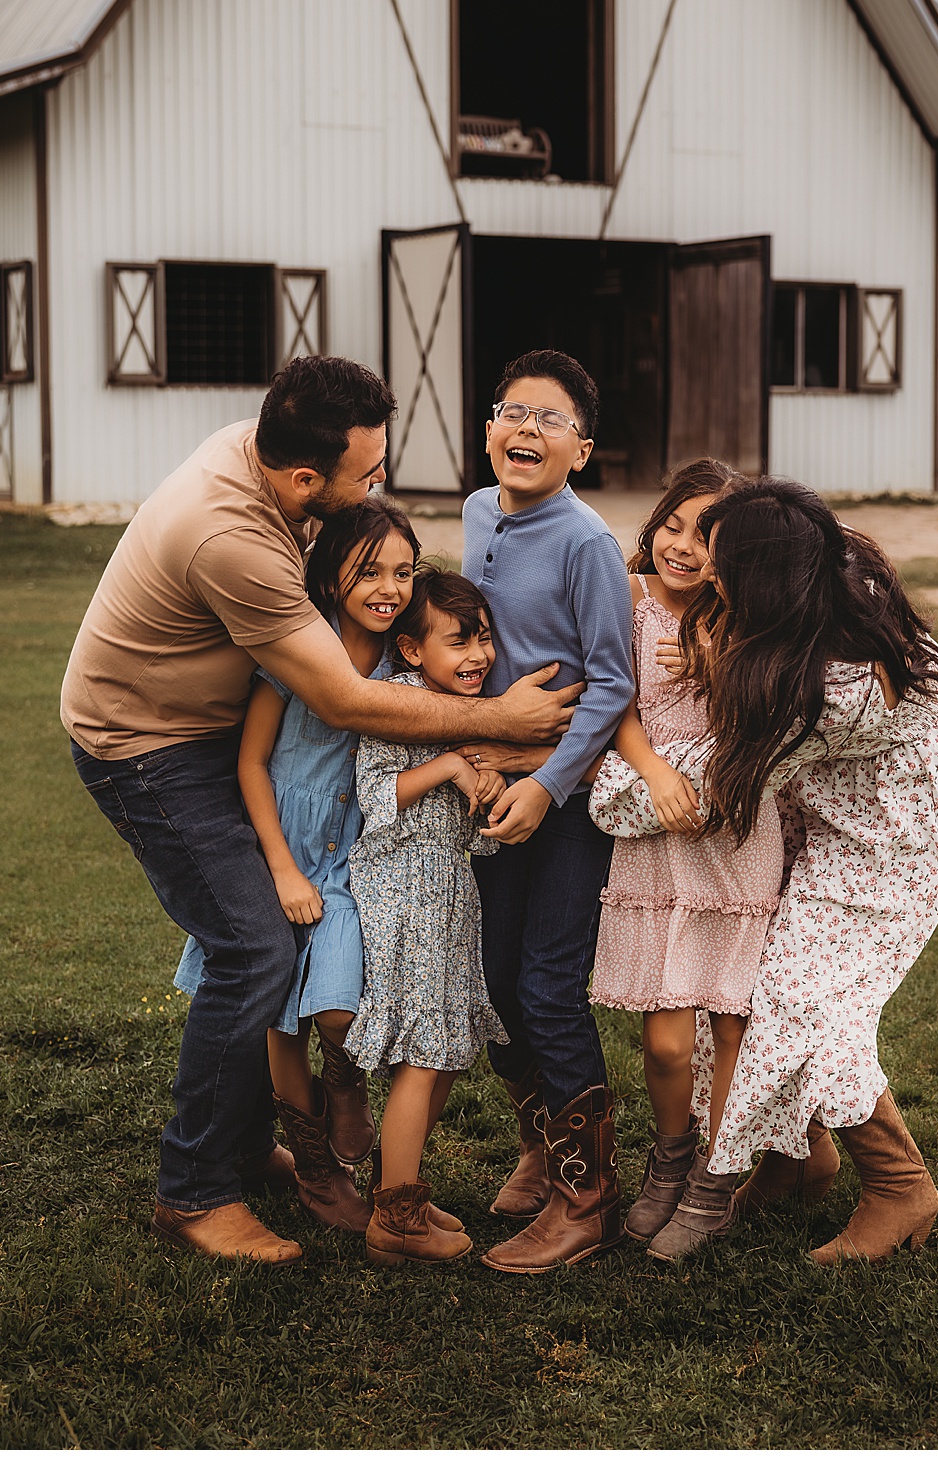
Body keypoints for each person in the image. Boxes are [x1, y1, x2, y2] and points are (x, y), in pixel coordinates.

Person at [62, 354, 581, 1265]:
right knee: (253, 948)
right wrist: (496, 717)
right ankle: (194, 1191)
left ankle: (243, 1143)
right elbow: (342, 701)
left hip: (199, 731)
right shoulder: (231, 537)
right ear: (307, 478)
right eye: (365, 477)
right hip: (145, 745)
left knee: (269, 953)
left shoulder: (264, 461)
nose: (377, 485)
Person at [594, 477, 938, 1264]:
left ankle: (900, 1183)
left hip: (902, 817)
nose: (706, 570)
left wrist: (600, 785)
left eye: (722, 561)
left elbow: (714, 786)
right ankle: (792, 1156)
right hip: (826, 785)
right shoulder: (811, 573)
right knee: (749, 976)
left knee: (808, 995)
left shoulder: (835, 690)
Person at [172, 495, 419, 1239]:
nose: (388, 588)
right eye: (368, 571)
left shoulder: (406, 664)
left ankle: (345, 1088)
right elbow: (251, 766)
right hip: (282, 846)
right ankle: (315, 1168)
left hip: (351, 858)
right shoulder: (297, 653)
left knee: (340, 1011)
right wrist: (280, 869)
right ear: (329, 577)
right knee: (282, 1014)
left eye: (404, 572)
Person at [459, 349, 636, 1274]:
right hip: (491, 785)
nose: (526, 429)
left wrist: (545, 785)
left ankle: (585, 1200)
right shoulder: (477, 510)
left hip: (562, 804)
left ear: (584, 451)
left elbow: (611, 685)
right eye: (511, 411)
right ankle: (540, 1143)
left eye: (551, 419)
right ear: (488, 428)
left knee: (547, 988)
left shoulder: (588, 545)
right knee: (490, 984)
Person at [588, 462, 785, 1256]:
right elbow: (614, 701)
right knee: (668, 1038)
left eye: (706, 539)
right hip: (655, 825)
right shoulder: (629, 599)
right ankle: (667, 1161)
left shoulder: (743, 616)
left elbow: (777, 702)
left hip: (733, 834)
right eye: (673, 524)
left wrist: (717, 667)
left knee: (730, 1023)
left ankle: (713, 1176)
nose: (682, 547)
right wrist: (656, 773)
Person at [346, 568, 509, 1267]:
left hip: (447, 888)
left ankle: (400, 1185)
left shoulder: (462, 706)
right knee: (421, 1049)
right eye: (459, 642)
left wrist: (488, 786)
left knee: (440, 1047)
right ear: (412, 650)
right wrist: (447, 767)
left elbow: (472, 829)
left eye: (484, 639)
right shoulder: (400, 700)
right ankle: (395, 1220)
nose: (477, 655)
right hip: (406, 890)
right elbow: (375, 795)